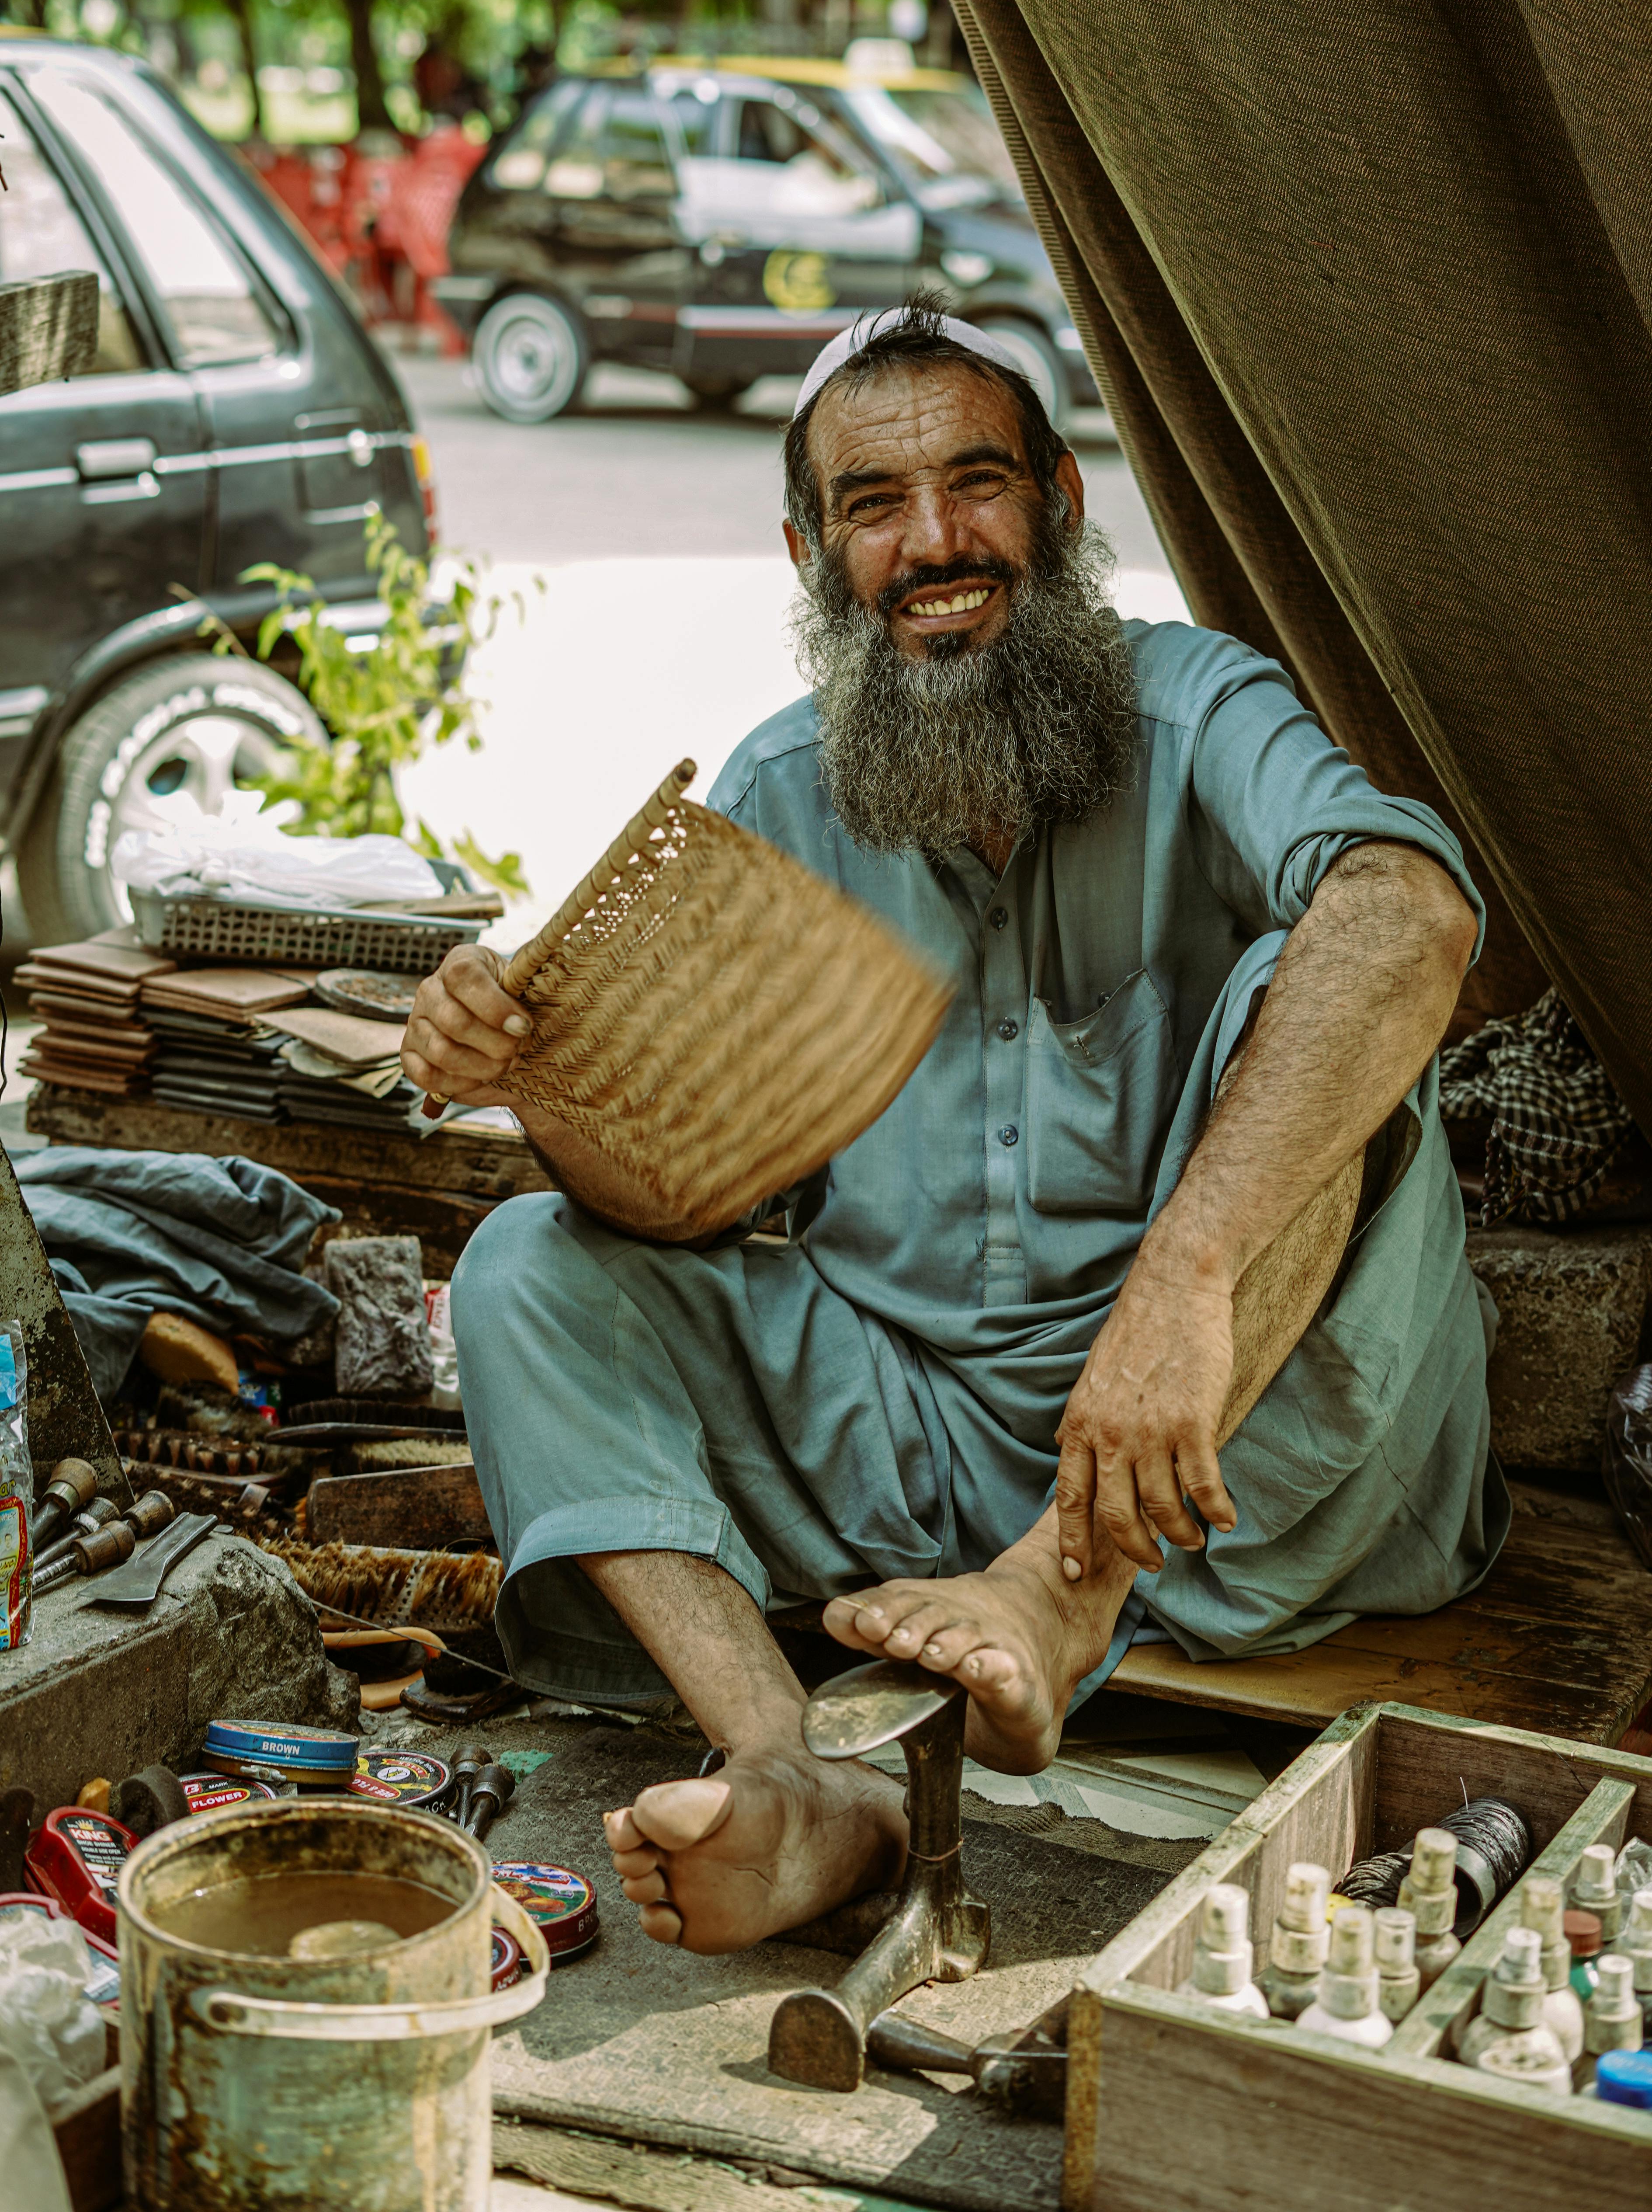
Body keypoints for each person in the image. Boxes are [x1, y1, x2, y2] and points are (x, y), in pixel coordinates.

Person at [407, 300, 1507, 1958]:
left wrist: (1183, 1281)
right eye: (874, 504)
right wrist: (529, 1082)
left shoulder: (1197, 710)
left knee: (1323, 983)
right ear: (807, 546)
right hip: (908, 1459)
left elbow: (1414, 915)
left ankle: (1059, 1603)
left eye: (978, 484)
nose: (936, 544)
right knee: (524, 1266)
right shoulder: (777, 798)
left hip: (1229, 1459)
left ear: (1062, 504)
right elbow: (672, 1203)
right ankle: (796, 1776)